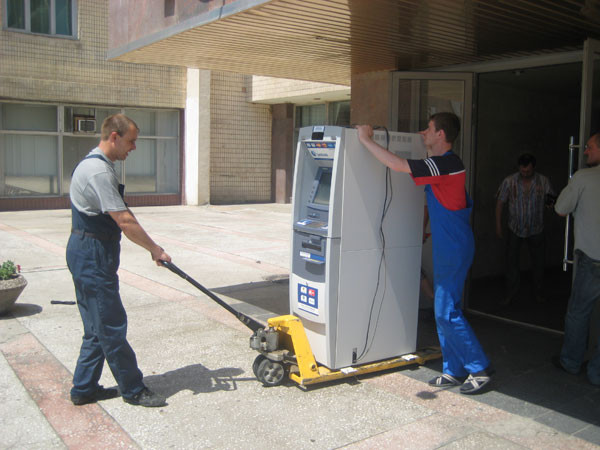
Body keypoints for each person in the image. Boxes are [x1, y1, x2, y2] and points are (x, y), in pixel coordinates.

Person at [356, 112, 492, 394]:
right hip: (447, 245)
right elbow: (434, 199)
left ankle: (479, 368)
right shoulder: (441, 164)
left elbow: (396, 164)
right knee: (442, 309)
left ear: (442, 135)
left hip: (454, 247)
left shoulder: (447, 164)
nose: (423, 133)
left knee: (446, 310)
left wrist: (365, 140)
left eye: (429, 129)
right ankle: (453, 369)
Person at [67, 114, 172, 407]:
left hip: (86, 249)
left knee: (96, 326)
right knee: (111, 325)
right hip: (92, 254)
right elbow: (124, 220)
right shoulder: (99, 172)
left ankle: (84, 388)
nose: (134, 147)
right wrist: (155, 249)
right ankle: (134, 389)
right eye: (131, 141)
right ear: (114, 137)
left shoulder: (92, 164)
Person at [553, 132, 600, 386]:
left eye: (590, 147)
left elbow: (561, 208)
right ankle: (597, 373)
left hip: (592, 260)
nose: (585, 151)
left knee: (578, 314)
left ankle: (571, 362)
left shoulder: (583, 177)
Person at [495, 153, 555, 305]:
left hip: (536, 228)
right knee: (511, 261)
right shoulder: (509, 181)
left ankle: (538, 293)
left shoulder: (543, 181)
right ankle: (511, 293)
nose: (525, 174)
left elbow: (551, 200)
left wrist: (550, 205)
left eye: (528, 171)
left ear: (534, 168)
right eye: (522, 171)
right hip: (515, 227)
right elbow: (500, 203)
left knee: (539, 262)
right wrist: (498, 225)